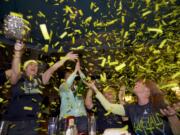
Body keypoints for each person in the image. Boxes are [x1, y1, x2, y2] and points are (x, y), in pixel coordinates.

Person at [2, 41, 78, 135]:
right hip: (13, 122)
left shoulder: (40, 80)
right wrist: (17, 53)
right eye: (31, 64)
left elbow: (52, 69)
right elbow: (15, 71)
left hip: (32, 123)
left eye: (36, 66)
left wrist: (65, 58)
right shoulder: (18, 78)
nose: (34, 66)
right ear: (25, 68)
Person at [85, 79, 175, 135]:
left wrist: (172, 117)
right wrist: (94, 88)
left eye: (141, 83)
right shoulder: (130, 108)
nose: (136, 82)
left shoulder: (160, 104)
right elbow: (108, 106)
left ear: (148, 90)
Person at [58, 60, 88, 134]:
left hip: (81, 117)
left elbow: (85, 80)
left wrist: (79, 70)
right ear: (64, 79)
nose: (71, 78)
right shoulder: (62, 87)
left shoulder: (78, 88)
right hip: (66, 117)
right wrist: (74, 72)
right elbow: (68, 83)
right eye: (68, 76)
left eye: (71, 76)